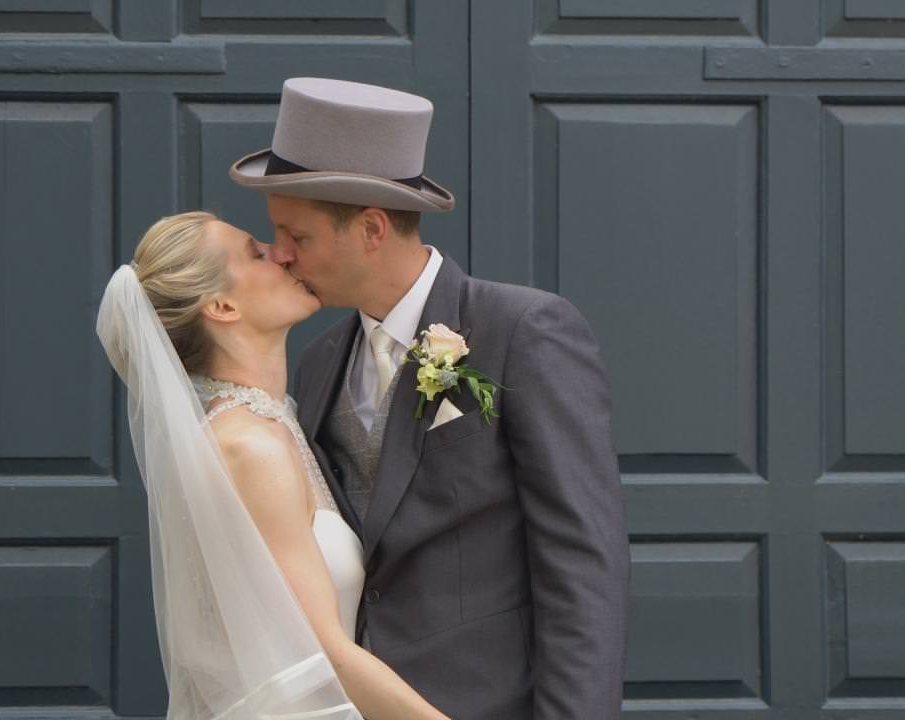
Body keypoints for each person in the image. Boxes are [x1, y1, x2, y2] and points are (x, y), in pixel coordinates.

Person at [228, 77, 630, 718]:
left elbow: (583, 561)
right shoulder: (318, 361)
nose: (279, 256)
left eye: (297, 237)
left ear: (371, 228)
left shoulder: (523, 330)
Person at [96, 211, 450, 719]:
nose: (282, 253)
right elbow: (326, 653)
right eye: (256, 253)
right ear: (221, 306)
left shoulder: (278, 420)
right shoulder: (249, 447)